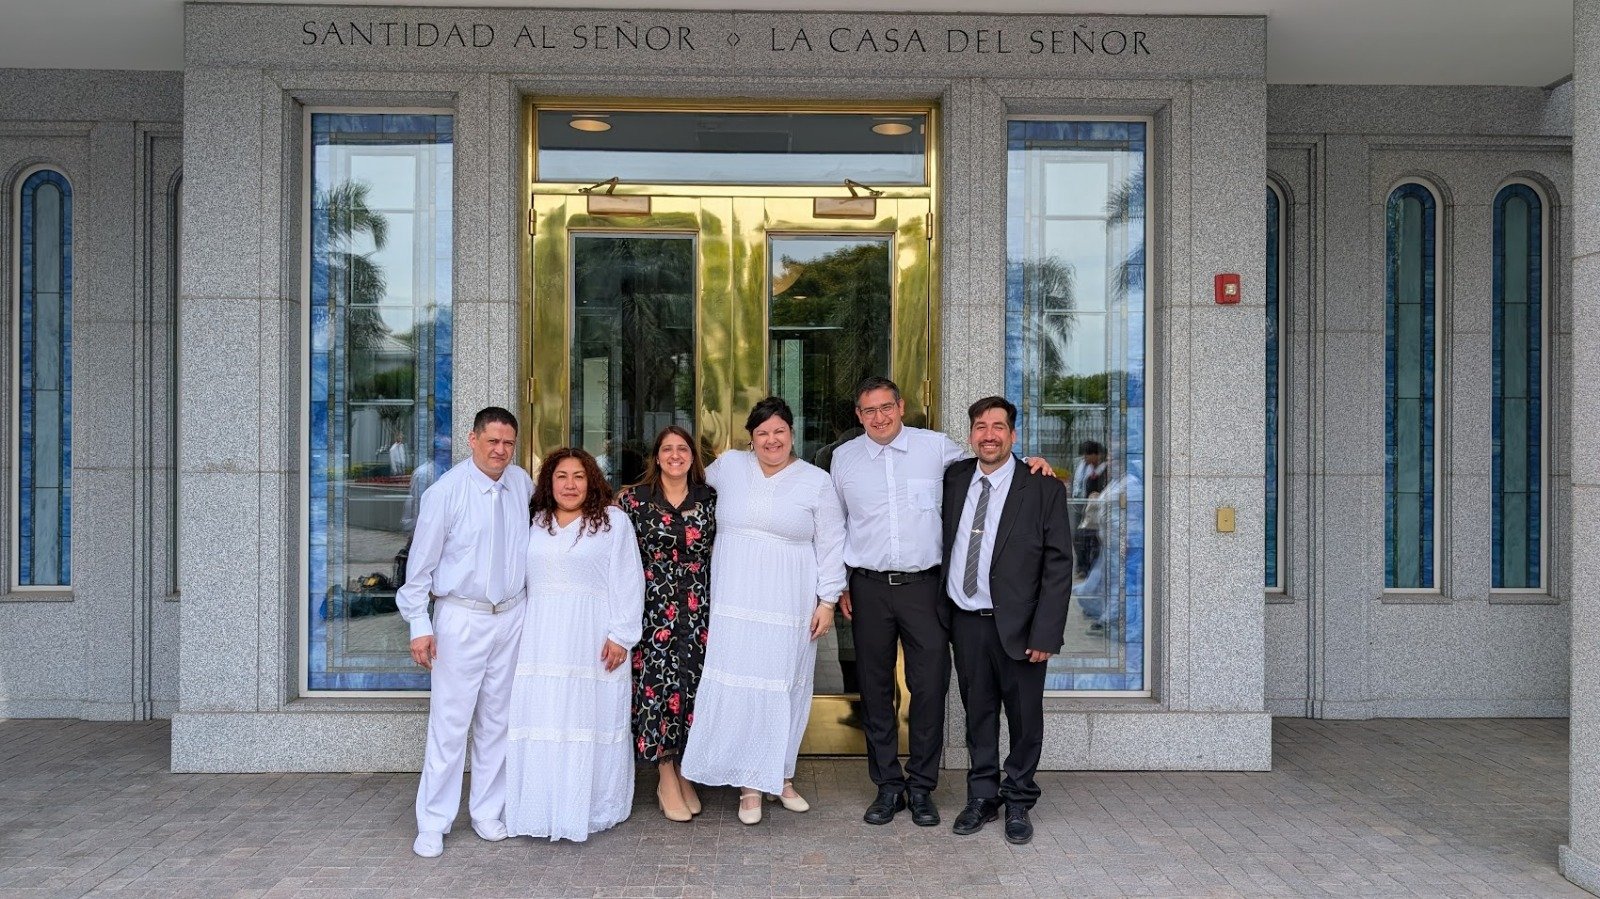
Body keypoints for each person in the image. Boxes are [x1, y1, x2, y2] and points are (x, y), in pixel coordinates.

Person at [828, 376, 1054, 827]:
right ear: (859, 415)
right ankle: (888, 786)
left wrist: (1033, 462)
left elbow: (989, 464)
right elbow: (835, 527)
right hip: (868, 587)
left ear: (901, 405)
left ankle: (921, 786)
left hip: (926, 588)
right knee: (874, 691)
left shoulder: (937, 449)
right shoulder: (843, 458)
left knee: (929, 689)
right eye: (869, 410)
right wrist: (839, 585)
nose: (879, 417)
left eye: (887, 407)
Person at [680, 396, 847, 825]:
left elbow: (830, 543)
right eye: (762, 433)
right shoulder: (729, 467)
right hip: (735, 600)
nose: (771, 440)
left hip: (788, 601)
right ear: (751, 439)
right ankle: (749, 786)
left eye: (779, 431)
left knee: (783, 686)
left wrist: (827, 600)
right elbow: (682, 485)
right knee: (741, 686)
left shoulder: (816, 481)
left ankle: (781, 777)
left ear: (792, 433)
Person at [397, 407, 533, 859]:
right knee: (450, 724)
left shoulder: (522, 485)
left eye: (508, 443)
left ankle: (486, 813)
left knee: (498, 721)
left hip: (512, 616)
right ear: (472, 439)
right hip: (462, 617)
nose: (500, 451)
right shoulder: (445, 493)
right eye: (492, 441)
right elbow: (418, 571)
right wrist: (420, 626)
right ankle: (433, 822)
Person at [941, 396, 1074, 846]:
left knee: (1023, 717)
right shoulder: (955, 478)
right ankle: (982, 796)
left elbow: (1058, 567)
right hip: (967, 621)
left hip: (1021, 627)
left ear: (1013, 435)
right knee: (977, 715)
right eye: (981, 426)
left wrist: (1047, 633)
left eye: (998, 426)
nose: (989, 435)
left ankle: (1018, 798)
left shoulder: (1042, 488)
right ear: (971, 434)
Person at [504, 448, 646, 842]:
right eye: (562, 476)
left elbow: (629, 580)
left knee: (589, 718)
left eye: (579, 476)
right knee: (545, 717)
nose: (570, 484)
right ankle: (542, 807)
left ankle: (589, 806)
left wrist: (622, 634)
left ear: (592, 480)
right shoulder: (534, 522)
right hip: (542, 637)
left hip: (593, 636)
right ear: (549, 481)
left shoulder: (613, 522)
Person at [616, 425, 717, 822]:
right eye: (667, 449)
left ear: (693, 456)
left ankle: (682, 768)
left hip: (698, 610)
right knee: (656, 689)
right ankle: (663, 774)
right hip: (652, 610)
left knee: (692, 686)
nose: (675, 455)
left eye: (683, 449)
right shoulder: (633, 502)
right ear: (656, 457)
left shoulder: (709, 499)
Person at [1071, 440, 1107, 579]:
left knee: (1093, 539)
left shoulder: (1103, 470)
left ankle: (1091, 567)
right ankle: (1082, 566)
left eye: (1088, 455)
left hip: (1095, 510)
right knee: (1079, 537)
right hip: (1081, 507)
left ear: (1097, 455)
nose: (1085, 458)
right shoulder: (1083, 467)